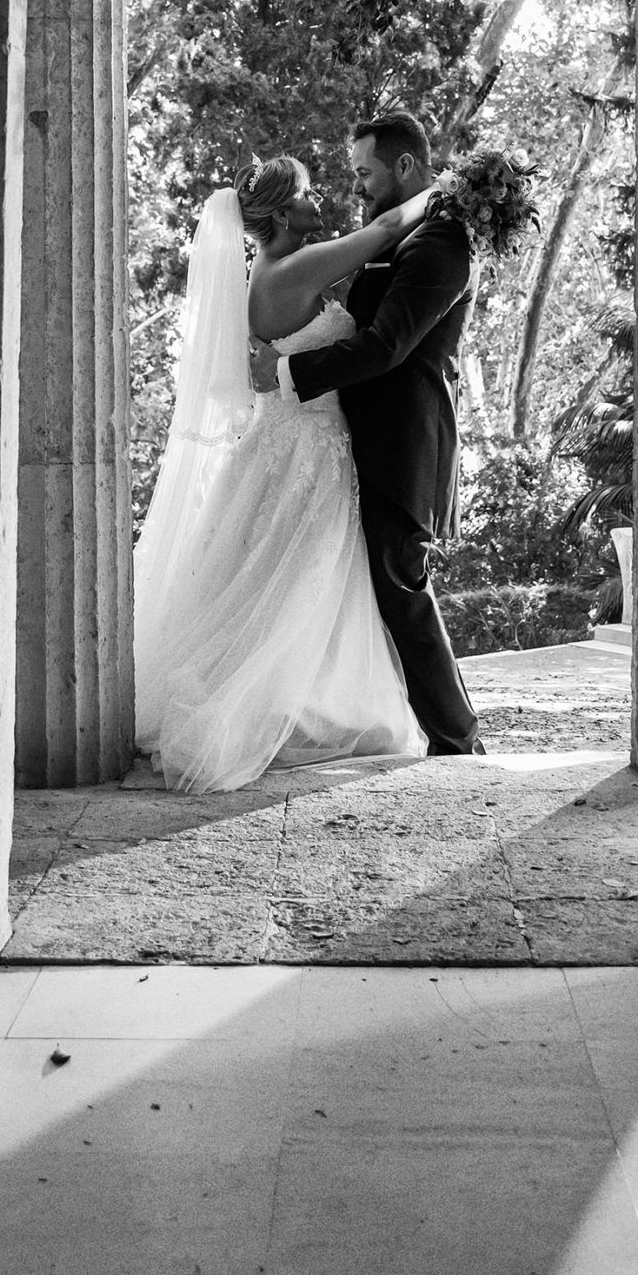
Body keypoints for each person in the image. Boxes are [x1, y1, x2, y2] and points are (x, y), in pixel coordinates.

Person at [133, 154, 432, 792]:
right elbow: (384, 232)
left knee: (276, 582)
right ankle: (252, 713)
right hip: (308, 451)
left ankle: (292, 704)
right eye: (306, 193)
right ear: (282, 212)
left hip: (284, 443)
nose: (317, 200)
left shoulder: (269, 271)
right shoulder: (294, 268)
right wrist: (446, 189)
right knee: (298, 581)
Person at [248, 111, 484, 756]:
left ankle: (458, 742)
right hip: (355, 442)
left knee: (401, 586)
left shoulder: (441, 241)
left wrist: (288, 370)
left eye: (364, 172)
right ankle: (439, 734)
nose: (355, 186)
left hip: (402, 443)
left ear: (404, 166)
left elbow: (386, 346)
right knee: (385, 588)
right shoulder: (399, 237)